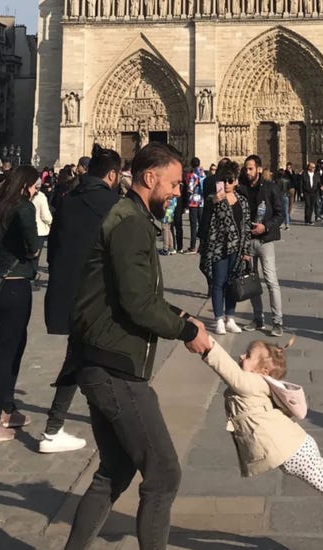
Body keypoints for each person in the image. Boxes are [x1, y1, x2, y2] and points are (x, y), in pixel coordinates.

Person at [62, 142, 210, 550]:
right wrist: (186, 333)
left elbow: (139, 293)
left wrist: (181, 316)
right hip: (114, 365)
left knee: (116, 469)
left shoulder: (132, 217)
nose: (180, 191)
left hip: (100, 358)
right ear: (150, 178)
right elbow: (137, 303)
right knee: (163, 475)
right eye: (175, 183)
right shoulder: (129, 222)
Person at [200, 338, 323, 540]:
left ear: (263, 372)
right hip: (292, 447)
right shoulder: (253, 382)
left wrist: (208, 345)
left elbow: (230, 372)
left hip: (292, 449)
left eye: (248, 355)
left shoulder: (252, 382)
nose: (242, 356)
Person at [41, 144, 122, 454]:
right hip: (98, 295)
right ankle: (55, 428)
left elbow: (55, 249)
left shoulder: (68, 199)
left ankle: (58, 426)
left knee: (81, 356)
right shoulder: (113, 203)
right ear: (113, 175)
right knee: (97, 357)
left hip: (68, 293)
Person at [0, 166, 42, 443]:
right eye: (35, 185)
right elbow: (33, 246)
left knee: (13, 347)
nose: (37, 189)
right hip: (14, 286)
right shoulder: (23, 207)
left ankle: (7, 408)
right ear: (26, 185)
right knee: (6, 354)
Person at [198, 161, 252, 335]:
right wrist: (213, 201)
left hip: (237, 248)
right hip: (218, 248)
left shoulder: (242, 201)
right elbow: (204, 222)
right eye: (225, 180)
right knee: (218, 283)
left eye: (231, 180)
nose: (227, 183)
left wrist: (246, 251)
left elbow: (246, 226)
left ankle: (230, 317)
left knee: (232, 283)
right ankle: (218, 319)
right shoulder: (213, 199)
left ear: (236, 181)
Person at [239, 155, 286, 337]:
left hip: (265, 240)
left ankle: (277, 321)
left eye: (250, 168)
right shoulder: (242, 189)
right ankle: (258, 318)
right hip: (249, 241)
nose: (247, 171)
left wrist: (265, 226)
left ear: (258, 169)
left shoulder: (270, 188)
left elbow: (280, 214)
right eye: (246, 169)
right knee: (252, 281)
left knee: (271, 281)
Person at [183, 157, 205, 253]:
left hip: (193, 202)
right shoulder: (203, 174)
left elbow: (190, 189)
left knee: (193, 225)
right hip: (201, 201)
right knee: (201, 224)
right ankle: (202, 245)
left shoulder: (193, 175)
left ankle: (192, 246)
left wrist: (186, 201)